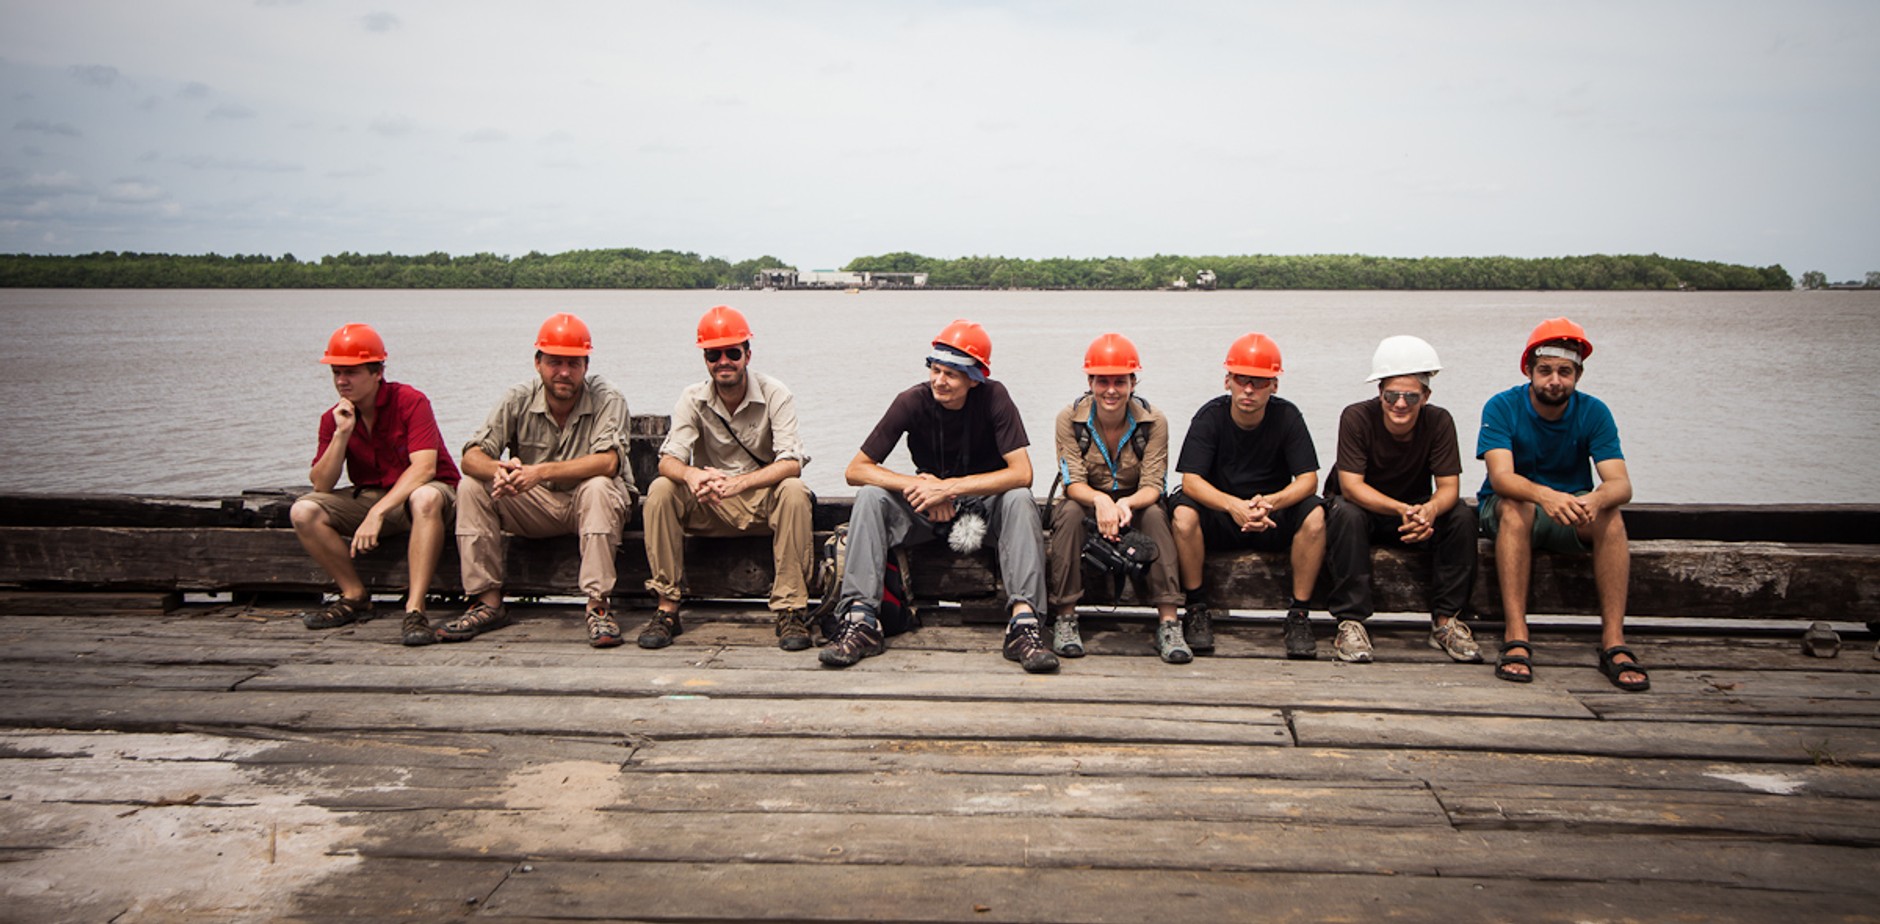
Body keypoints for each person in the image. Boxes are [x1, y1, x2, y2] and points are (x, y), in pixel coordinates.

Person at [823, 319, 1056, 673]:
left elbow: (1022, 472)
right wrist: (917, 486)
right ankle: (861, 620)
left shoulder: (995, 397)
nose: (939, 380)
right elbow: (856, 469)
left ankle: (1024, 626)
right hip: (924, 511)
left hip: (982, 511)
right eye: (935, 369)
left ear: (974, 378)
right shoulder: (911, 401)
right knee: (871, 496)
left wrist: (949, 487)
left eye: (952, 373)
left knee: (1020, 499)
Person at [442, 313, 636, 647]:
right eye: (555, 362)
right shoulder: (517, 398)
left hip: (592, 504)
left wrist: (539, 471)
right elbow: (471, 456)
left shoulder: (608, 398)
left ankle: (598, 607)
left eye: (573, 364)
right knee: (472, 486)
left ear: (586, 366)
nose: (564, 372)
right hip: (537, 506)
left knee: (599, 487)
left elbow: (608, 462)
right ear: (538, 362)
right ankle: (486, 602)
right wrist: (501, 471)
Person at [1477, 317, 1647, 691]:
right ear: (1529, 370)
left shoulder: (1594, 412)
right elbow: (1502, 477)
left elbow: (1620, 483)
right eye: (1546, 370)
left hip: (1571, 509)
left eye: (1565, 372)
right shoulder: (1502, 406)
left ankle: (1614, 641)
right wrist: (1545, 495)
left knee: (1612, 517)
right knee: (1515, 506)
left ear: (1578, 375)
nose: (1555, 380)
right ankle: (1516, 635)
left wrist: (1595, 499)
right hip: (1511, 509)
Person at [638, 305, 815, 651]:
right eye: (713, 354)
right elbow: (668, 459)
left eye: (732, 353)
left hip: (760, 500)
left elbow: (792, 461)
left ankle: (791, 609)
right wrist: (691, 475)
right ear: (705, 359)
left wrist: (740, 483)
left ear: (747, 354)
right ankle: (667, 608)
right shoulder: (692, 398)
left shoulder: (776, 393)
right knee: (661, 490)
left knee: (794, 490)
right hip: (711, 502)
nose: (724, 361)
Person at [290, 323, 461, 647]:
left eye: (351, 372)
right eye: (337, 373)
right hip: (373, 496)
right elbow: (321, 485)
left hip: (429, 497)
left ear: (377, 372)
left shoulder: (410, 401)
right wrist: (342, 433)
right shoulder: (334, 417)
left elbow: (424, 468)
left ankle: (415, 609)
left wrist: (378, 512)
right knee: (303, 512)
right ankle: (354, 595)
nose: (342, 381)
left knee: (424, 497)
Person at [1322, 335, 1480, 664]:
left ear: (1426, 396)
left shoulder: (1439, 421)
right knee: (1344, 512)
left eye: (1411, 396)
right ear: (1380, 393)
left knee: (1462, 516)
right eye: (1392, 395)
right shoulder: (1356, 417)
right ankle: (1350, 622)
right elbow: (1351, 486)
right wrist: (1402, 510)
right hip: (1367, 512)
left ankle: (1445, 621)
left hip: (1414, 512)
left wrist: (1430, 511)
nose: (1400, 404)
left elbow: (1449, 486)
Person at [1170, 332, 1327, 658]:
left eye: (1260, 381)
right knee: (1183, 515)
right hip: (1223, 515)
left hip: (1272, 514)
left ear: (1275, 385)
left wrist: (1272, 502)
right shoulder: (1210, 417)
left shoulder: (1287, 416)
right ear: (1228, 380)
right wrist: (1233, 505)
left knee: (1315, 515)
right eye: (1242, 380)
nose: (1250, 390)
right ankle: (1197, 608)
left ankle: (1299, 614)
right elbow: (1191, 481)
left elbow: (1309, 479)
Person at [1048, 333, 1187, 663]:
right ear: (1090, 381)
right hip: (1085, 500)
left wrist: (1125, 504)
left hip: (1134, 502)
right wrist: (1100, 501)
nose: (1111, 390)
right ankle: (1066, 617)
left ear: (1133, 383)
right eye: (1103, 381)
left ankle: (1169, 622)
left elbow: (1154, 484)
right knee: (1066, 514)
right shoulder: (1069, 419)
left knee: (1155, 515)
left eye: (1119, 382)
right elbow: (1072, 482)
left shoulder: (1154, 422)